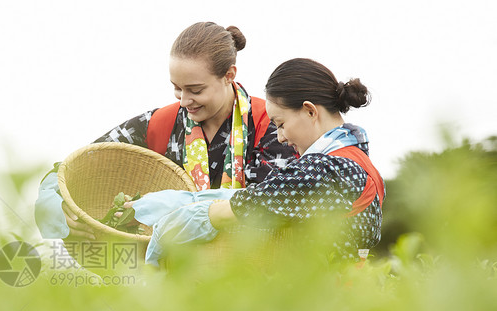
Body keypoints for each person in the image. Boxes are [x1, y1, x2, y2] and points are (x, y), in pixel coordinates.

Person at [35, 22, 297, 241]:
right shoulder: (162, 122)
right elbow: (76, 165)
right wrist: (59, 210)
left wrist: (175, 206)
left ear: (229, 75)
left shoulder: (272, 124)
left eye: (195, 90)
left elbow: (274, 200)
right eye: (177, 88)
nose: (184, 101)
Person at [131, 58, 384, 264]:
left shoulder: (326, 170)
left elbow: (242, 206)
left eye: (281, 124)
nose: (281, 138)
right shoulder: (358, 160)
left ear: (310, 111)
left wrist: (171, 226)